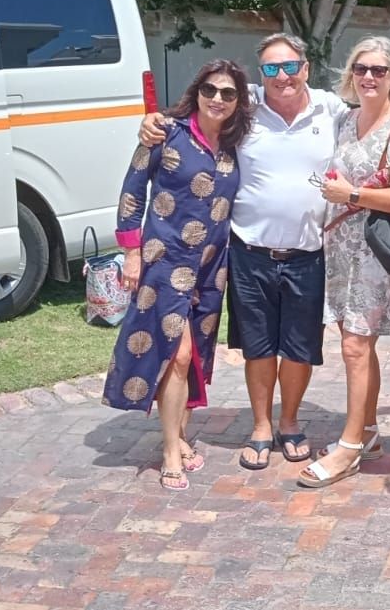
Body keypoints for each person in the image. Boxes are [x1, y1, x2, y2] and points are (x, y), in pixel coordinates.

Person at [140, 33, 348, 470]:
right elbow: (200, 116)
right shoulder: (244, 109)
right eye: (271, 68)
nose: (282, 76)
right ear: (261, 75)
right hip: (249, 252)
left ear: (306, 68)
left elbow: (376, 116)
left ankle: (289, 422)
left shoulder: (331, 111)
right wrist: (153, 123)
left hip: (308, 252)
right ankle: (260, 426)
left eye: (290, 66)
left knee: (299, 348)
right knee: (258, 347)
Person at [102, 59, 251, 490]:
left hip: (210, 266)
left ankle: (180, 433)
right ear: (197, 92)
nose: (217, 99)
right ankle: (170, 450)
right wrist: (131, 254)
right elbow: (132, 190)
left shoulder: (234, 144)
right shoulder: (165, 131)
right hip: (164, 260)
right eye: (210, 90)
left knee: (196, 354)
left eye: (228, 93)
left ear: (238, 100)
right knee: (178, 354)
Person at [298, 36, 390, 487]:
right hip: (341, 248)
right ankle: (367, 432)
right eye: (361, 69)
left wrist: (350, 193)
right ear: (350, 75)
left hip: (375, 250)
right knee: (356, 344)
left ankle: (348, 447)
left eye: (379, 70)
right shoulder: (346, 120)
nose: (369, 77)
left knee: (354, 345)